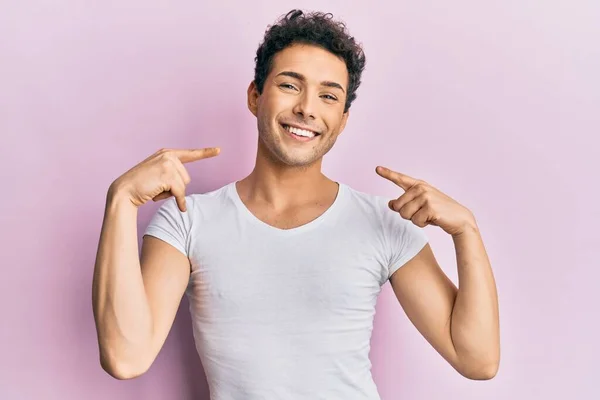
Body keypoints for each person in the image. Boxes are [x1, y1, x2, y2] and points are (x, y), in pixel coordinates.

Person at [92, 9, 500, 399]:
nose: (307, 108)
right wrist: (122, 201)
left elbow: (477, 359)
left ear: (342, 120)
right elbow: (126, 357)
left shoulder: (384, 223)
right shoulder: (187, 221)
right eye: (290, 85)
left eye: (328, 96)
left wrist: (467, 231)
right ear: (256, 96)